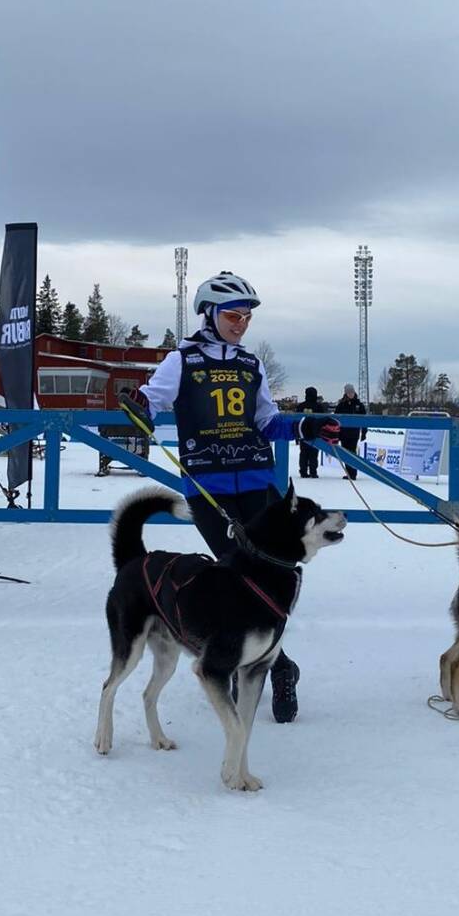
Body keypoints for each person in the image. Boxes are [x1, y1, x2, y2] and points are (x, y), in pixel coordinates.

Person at [119, 271, 339, 723]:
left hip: (258, 483)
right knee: (237, 575)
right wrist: (140, 407)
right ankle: (277, 665)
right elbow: (152, 401)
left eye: (246, 318)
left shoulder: (250, 364)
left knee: (273, 574)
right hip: (209, 487)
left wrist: (307, 425)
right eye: (233, 316)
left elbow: (267, 422)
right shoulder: (181, 360)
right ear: (209, 314)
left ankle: (264, 662)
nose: (241, 324)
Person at [334, 384, 367, 479]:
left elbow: (365, 420)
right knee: (345, 453)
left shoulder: (359, 405)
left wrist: (364, 432)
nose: (350, 394)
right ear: (346, 393)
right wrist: (336, 433)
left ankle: (353, 473)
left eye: (352, 392)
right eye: (349, 392)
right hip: (343, 433)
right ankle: (349, 473)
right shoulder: (341, 405)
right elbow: (336, 419)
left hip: (354, 433)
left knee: (352, 452)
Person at [297, 386, 323, 478]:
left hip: (303, 433)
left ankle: (303, 471)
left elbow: (297, 420)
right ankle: (313, 472)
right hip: (315, 433)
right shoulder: (319, 407)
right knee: (314, 453)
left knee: (303, 453)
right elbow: (322, 420)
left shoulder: (301, 406)